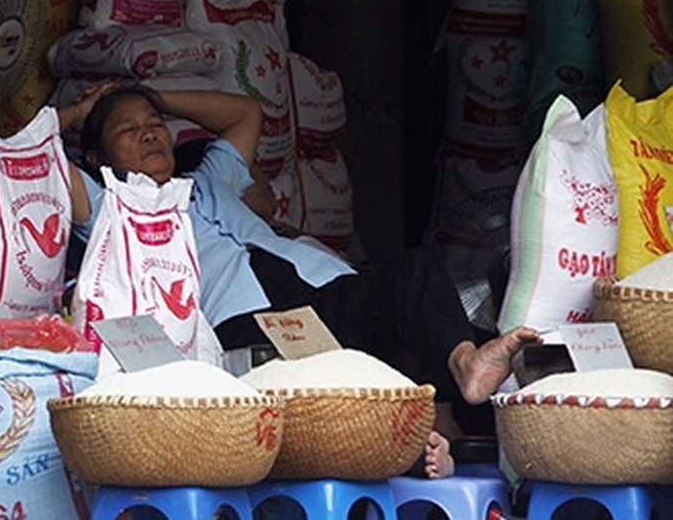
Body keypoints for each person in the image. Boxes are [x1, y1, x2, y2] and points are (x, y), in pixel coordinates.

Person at [59, 84, 539, 411]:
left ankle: (466, 366)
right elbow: (31, 149)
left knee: (416, 267)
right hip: (243, 324)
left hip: (325, 291)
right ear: (98, 158)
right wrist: (80, 113)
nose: (148, 132)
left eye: (154, 123)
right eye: (128, 129)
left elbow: (245, 111)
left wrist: (150, 95)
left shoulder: (209, 179)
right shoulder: (107, 206)